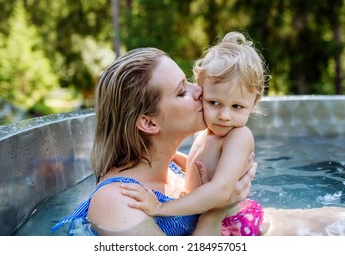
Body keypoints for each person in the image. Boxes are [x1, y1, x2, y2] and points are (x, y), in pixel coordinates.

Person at [51, 47, 257, 236]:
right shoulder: (120, 201)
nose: (199, 91)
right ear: (149, 123)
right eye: (182, 91)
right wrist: (214, 213)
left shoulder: (174, 167)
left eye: (187, 81)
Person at [120, 31, 268, 236]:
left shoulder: (239, 137)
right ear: (202, 92)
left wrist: (160, 209)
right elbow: (195, 163)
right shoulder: (207, 133)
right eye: (214, 103)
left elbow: (221, 190)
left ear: (254, 102)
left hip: (231, 224)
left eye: (237, 106)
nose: (224, 115)